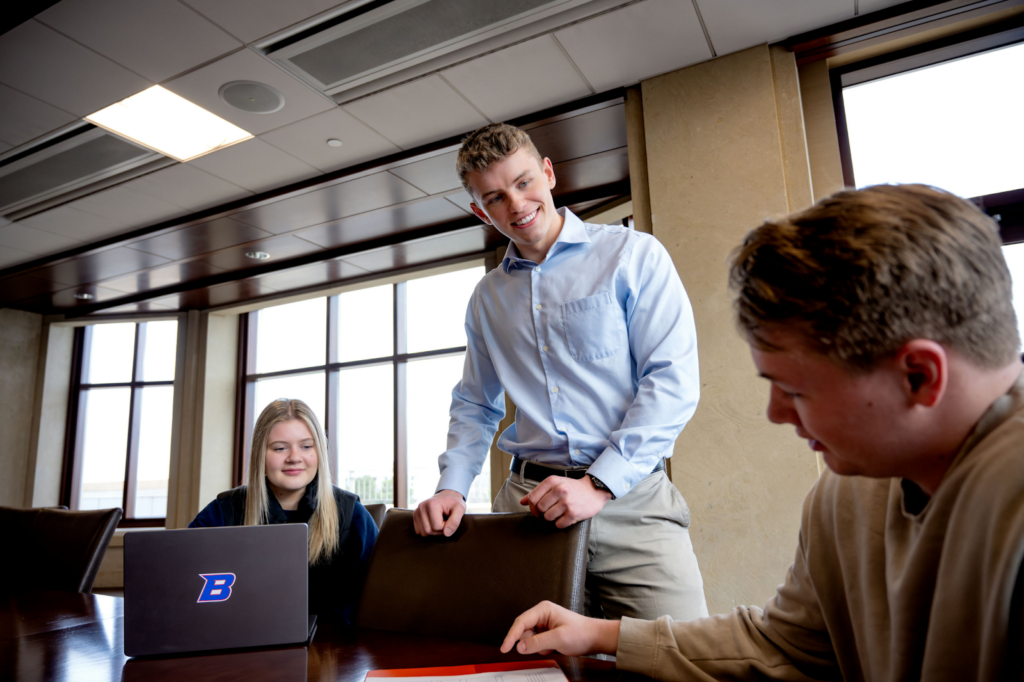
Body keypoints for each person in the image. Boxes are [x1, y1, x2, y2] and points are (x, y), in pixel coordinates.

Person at [499, 184, 1024, 680]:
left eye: (795, 391)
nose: (776, 413)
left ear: (919, 376)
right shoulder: (844, 495)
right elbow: (785, 646)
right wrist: (601, 635)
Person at [413, 122, 707, 622]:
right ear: (479, 210)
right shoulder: (487, 298)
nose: (517, 204)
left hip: (631, 504)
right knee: (532, 668)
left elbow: (672, 383)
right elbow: (475, 403)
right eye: (496, 197)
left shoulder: (632, 255)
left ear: (548, 173)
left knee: (682, 662)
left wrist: (597, 486)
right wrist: (452, 486)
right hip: (528, 510)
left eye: (524, 182)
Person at [190, 398, 378, 624]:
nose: (294, 458)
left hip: (333, 650)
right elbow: (186, 587)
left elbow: (379, 599)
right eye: (280, 448)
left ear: (319, 452)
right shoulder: (222, 513)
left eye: (306, 446)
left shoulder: (353, 515)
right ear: (261, 454)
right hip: (245, 646)